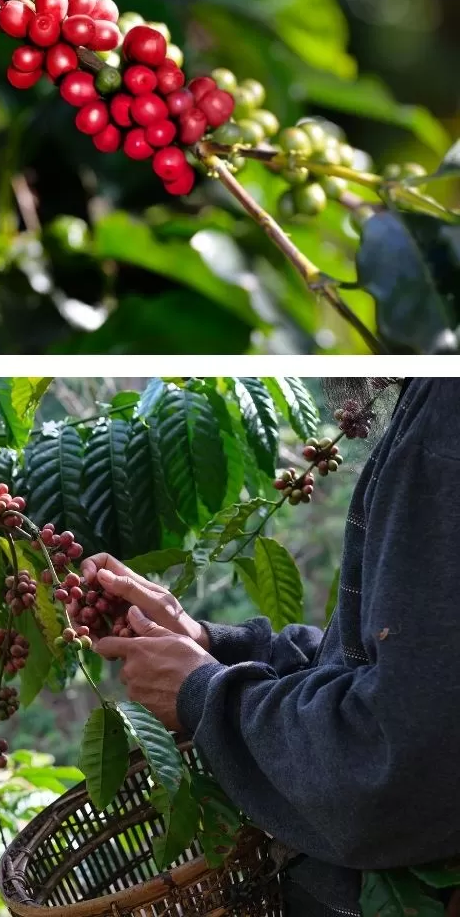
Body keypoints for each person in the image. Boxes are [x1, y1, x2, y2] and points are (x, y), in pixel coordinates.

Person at [86, 378, 460, 917]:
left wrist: (205, 693)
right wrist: (211, 646)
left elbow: (394, 758)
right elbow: (382, 668)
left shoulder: (444, 426)